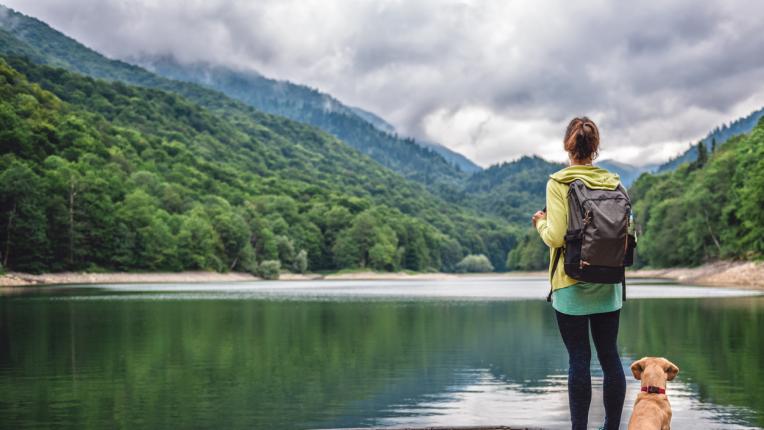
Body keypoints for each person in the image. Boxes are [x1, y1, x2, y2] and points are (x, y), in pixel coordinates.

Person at [531, 117, 626, 430]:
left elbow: (556, 237)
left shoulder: (558, 182)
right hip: (609, 284)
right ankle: (611, 427)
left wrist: (540, 223)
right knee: (611, 359)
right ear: (595, 147)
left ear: (567, 146)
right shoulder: (615, 182)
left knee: (579, 360)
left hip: (570, 284)